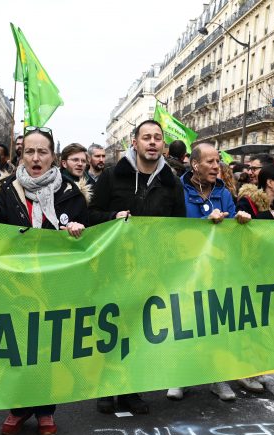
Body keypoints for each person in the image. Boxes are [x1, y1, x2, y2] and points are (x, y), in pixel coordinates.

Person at [0, 126, 88, 435]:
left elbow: (85, 239)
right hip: (17, 284)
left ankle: (46, 409)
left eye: (42, 152)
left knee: (48, 347)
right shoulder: (6, 190)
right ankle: (19, 408)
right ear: (22, 154)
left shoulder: (70, 193)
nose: (35, 158)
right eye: (29, 151)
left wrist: (75, 229)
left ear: (53, 157)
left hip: (54, 284)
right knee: (19, 346)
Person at [90, 119, 186, 414]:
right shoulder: (111, 176)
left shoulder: (171, 182)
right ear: (135, 142)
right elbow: (91, 213)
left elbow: (180, 226)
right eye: (147, 137)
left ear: (163, 145)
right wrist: (112, 217)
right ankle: (106, 387)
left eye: (158, 138)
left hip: (151, 268)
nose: (153, 142)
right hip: (115, 264)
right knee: (111, 327)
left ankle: (131, 389)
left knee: (139, 328)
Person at [169, 143, 254, 401]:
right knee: (185, 323)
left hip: (217, 268)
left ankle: (217, 378)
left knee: (216, 324)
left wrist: (239, 220)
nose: (217, 166)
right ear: (195, 164)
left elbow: (229, 230)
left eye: (218, 161)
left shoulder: (224, 193)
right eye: (210, 161)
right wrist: (203, 225)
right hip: (186, 268)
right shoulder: (177, 191)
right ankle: (180, 378)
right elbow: (171, 227)